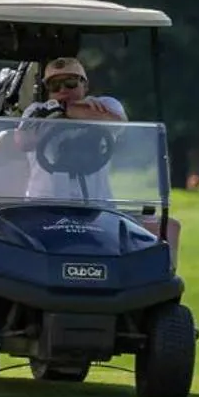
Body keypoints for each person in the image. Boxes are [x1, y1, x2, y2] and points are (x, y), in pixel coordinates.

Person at [23, 57, 180, 266]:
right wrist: (54, 116)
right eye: (54, 85)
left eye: (70, 83)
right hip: (43, 208)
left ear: (84, 84)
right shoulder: (36, 111)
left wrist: (64, 111)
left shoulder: (104, 104)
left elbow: (118, 124)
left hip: (99, 209)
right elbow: (22, 141)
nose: (62, 90)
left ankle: (159, 287)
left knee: (169, 227)